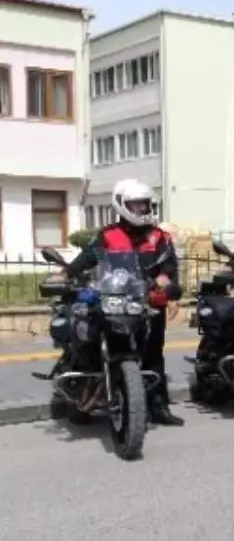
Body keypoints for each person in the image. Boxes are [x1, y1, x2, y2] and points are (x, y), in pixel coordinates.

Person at [64, 179, 183, 426]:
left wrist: (166, 279)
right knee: (102, 345)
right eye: (136, 205)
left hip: (149, 302)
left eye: (145, 204)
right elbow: (89, 257)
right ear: (122, 206)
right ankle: (93, 393)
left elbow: (169, 263)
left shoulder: (159, 236)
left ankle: (158, 406)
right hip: (115, 300)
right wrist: (66, 273)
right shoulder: (109, 235)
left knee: (152, 354)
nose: (141, 209)